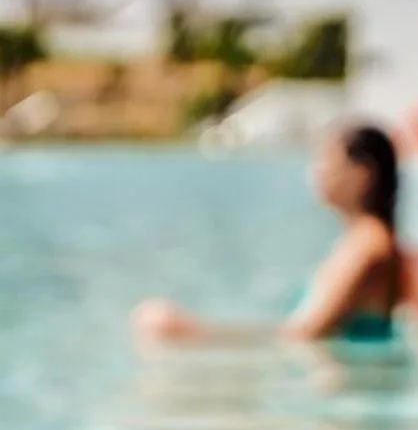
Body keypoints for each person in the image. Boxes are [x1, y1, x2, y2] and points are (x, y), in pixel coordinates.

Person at [132, 122, 404, 348]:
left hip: (348, 396)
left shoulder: (367, 246)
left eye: (328, 161)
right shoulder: (360, 241)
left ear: (362, 174)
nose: (316, 171)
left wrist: (193, 331)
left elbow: (306, 334)